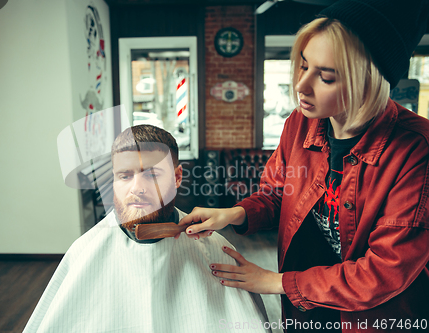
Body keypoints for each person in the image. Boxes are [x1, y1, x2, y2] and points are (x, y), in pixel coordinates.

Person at [178, 0, 429, 332]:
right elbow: (277, 194)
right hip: (306, 311)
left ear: (366, 82)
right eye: (303, 65)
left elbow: (384, 271)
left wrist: (275, 282)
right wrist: (232, 214)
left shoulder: (416, 150)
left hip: (373, 319)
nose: (301, 85)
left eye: (325, 76)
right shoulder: (300, 122)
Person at [23, 125, 270, 333]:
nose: (137, 188)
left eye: (152, 174)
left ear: (177, 177)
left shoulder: (214, 248)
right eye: (124, 176)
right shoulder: (85, 251)